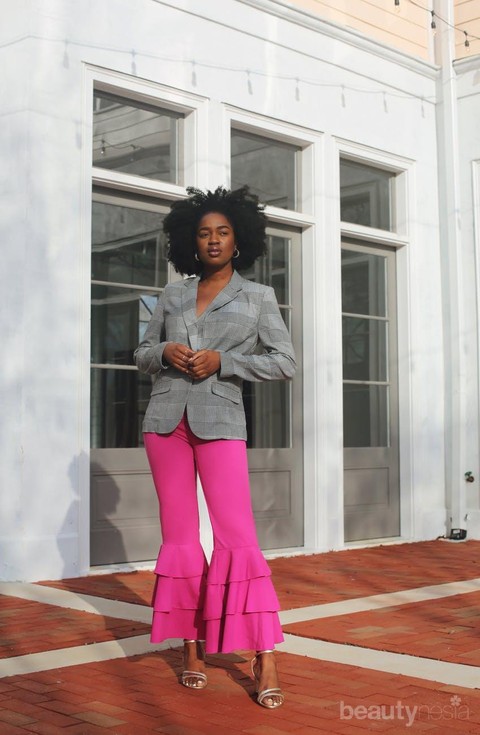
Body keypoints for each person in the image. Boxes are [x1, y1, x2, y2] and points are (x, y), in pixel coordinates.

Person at [134, 185, 296, 709]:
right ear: (191, 240)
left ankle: (264, 653)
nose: (213, 240)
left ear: (239, 239)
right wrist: (165, 350)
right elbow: (140, 352)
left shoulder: (258, 297)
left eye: (223, 232)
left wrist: (225, 362)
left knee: (237, 538)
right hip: (165, 423)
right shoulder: (173, 294)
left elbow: (285, 362)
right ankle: (192, 646)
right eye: (204, 233)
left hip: (221, 422)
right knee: (180, 541)